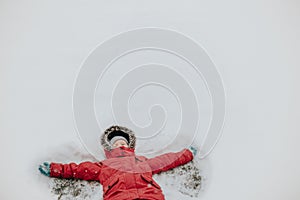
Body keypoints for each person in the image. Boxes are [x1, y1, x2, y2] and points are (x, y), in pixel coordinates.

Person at [39, 125, 198, 200]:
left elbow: (166, 160)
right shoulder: (104, 166)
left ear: (129, 145)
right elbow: (79, 169)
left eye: (122, 142)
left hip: (149, 196)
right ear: (109, 148)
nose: (120, 145)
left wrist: (187, 154)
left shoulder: (141, 161)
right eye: (116, 143)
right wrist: (54, 169)